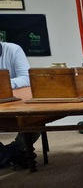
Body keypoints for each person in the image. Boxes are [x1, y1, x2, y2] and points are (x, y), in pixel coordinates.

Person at [0, 41, 40, 169]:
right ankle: (14, 155)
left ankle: (9, 154)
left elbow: (26, 78)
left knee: (35, 121)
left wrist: (4, 83)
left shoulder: (13, 50)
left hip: (16, 102)